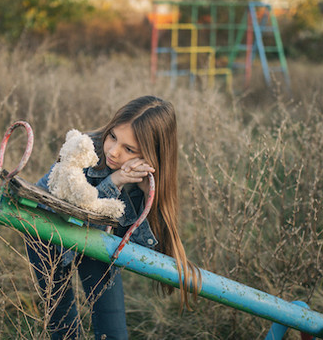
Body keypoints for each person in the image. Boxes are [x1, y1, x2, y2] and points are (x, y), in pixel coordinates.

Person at [26, 95, 201, 340]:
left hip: (98, 242)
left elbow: (139, 252)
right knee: (63, 325)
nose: (114, 152)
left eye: (129, 149)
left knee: (114, 332)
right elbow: (79, 211)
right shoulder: (85, 151)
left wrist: (144, 197)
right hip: (47, 234)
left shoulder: (147, 179)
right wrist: (114, 181)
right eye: (113, 137)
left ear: (151, 156)